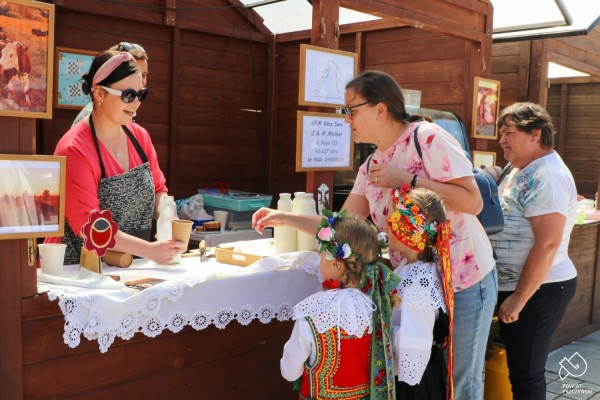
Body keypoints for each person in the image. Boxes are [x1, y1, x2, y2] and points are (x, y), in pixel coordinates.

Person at [341, 70, 497, 399]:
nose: (347, 119)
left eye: (351, 110)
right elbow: (346, 224)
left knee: (461, 381)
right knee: (428, 378)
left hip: (463, 280)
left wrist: (407, 180)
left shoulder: (427, 138)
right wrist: (286, 218)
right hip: (416, 287)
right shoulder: (370, 165)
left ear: (380, 109)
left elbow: (473, 201)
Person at [45, 50, 184, 265]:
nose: (136, 103)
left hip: (131, 264)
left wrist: (167, 216)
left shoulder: (141, 137)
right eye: (128, 95)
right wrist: (150, 250)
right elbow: (90, 227)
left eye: (141, 94)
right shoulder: (74, 149)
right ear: (99, 94)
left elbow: (158, 190)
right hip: (77, 270)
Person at [488, 102, 577, 399]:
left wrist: (519, 299)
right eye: (502, 132)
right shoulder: (521, 167)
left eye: (509, 133)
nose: (502, 139)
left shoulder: (547, 175)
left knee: (526, 374)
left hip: (540, 290)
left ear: (535, 134)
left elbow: (548, 243)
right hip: (517, 287)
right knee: (519, 372)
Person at [278, 210, 400, 399]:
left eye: (321, 254)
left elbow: (289, 371)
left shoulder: (313, 312)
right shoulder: (378, 306)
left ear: (336, 263)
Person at [386, 185, 453, 400]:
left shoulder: (417, 287)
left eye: (392, 221)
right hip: (419, 376)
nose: (387, 227)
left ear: (408, 231)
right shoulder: (416, 269)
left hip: (414, 385)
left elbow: (412, 350)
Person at [72, 42, 149, 127]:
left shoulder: (133, 125)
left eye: (144, 75)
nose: (139, 80)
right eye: (133, 73)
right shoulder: (89, 118)